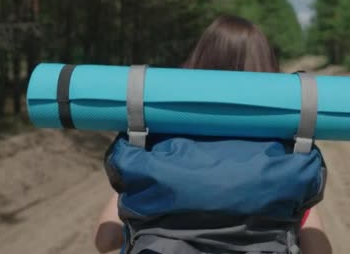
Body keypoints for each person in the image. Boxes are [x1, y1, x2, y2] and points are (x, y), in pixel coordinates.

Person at [94, 15, 332, 253]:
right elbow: (321, 251)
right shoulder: (286, 157)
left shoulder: (156, 138)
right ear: (266, 66)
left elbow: (106, 241)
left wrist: (136, 187)